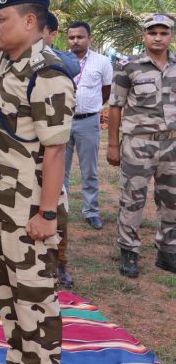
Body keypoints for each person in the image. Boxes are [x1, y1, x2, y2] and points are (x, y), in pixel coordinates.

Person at [0, 0, 75, 364]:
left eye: (2, 19)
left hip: (31, 213)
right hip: (2, 207)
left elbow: (55, 152)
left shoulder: (46, 73)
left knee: (35, 301)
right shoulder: (11, 61)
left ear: (30, 22)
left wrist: (46, 216)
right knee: (11, 297)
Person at [107, 13, 176, 278]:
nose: (157, 37)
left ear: (170, 35)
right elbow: (115, 107)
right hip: (139, 144)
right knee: (133, 199)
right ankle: (129, 251)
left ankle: (167, 251)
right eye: (152, 33)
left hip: (172, 144)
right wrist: (113, 145)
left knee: (171, 200)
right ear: (144, 36)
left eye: (163, 33)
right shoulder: (128, 66)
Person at [43, 12, 81, 289]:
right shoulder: (11, 58)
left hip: (52, 146)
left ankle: (62, 263)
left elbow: (73, 64)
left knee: (59, 210)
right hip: (20, 154)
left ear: (51, 35)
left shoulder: (62, 60)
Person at [65, 20, 112, 232]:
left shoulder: (102, 62)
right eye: (71, 37)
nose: (75, 41)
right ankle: (59, 210)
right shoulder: (60, 59)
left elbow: (106, 92)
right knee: (59, 169)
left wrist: (90, 107)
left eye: (80, 37)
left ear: (89, 39)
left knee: (89, 170)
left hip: (88, 121)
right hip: (62, 122)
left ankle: (91, 211)